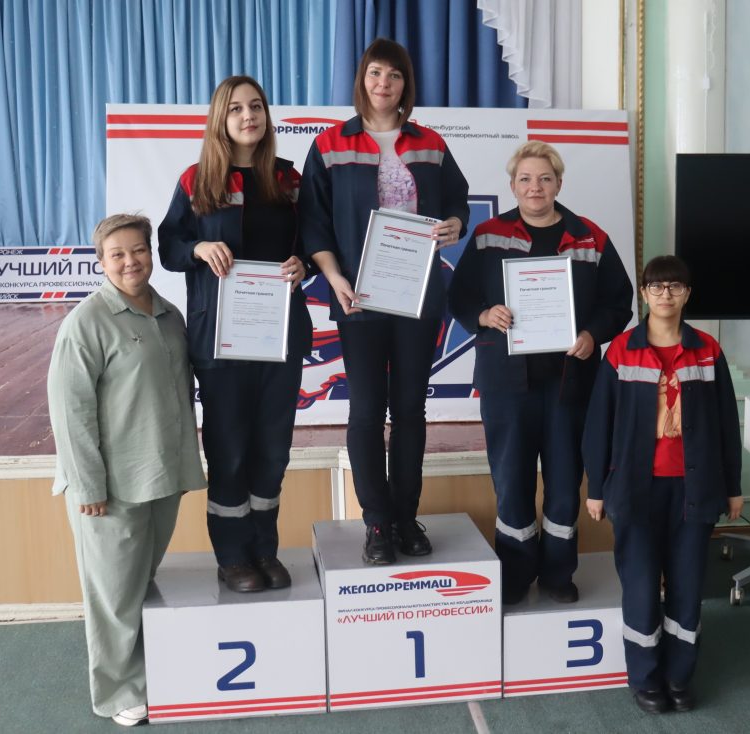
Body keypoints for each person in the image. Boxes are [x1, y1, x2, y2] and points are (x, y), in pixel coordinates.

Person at [298, 38, 469, 564]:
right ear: (362, 80)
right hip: (359, 298)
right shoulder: (330, 144)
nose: (384, 83)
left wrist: (455, 224)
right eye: (375, 73)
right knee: (368, 410)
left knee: (411, 409)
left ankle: (405, 517)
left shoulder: (431, 143)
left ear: (405, 84)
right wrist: (334, 278)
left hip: (418, 297)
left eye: (394, 75)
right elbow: (314, 222)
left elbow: (457, 201)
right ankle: (376, 521)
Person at [448, 140, 633, 604]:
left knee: (565, 483)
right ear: (513, 185)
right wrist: (484, 314)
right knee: (511, 482)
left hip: (570, 384)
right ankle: (514, 573)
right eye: (526, 179)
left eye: (545, 179)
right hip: (506, 385)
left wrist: (593, 333)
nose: (535, 187)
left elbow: (619, 302)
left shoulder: (590, 237)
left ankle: (557, 574)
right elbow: (459, 295)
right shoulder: (488, 235)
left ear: (559, 184)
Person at [48, 214, 206, 727]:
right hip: (110, 488)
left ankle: (144, 674)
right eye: (117, 254)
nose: (130, 261)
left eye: (138, 250)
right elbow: (70, 412)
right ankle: (118, 694)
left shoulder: (169, 314)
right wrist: (88, 485)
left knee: (139, 585)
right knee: (113, 597)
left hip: (160, 475)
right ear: (101, 262)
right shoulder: (86, 323)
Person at [158, 75, 312, 592]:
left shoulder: (288, 180)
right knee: (230, 448)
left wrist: (304, 264)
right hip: (219, 341)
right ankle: (232, 557)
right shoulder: (197, 180)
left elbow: (315, 242)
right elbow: (169, 247)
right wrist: (199, 249)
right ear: (220, 119)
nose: (249, 116)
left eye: (257, 106)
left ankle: (265, 549)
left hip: (278, 337)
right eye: (237, 109)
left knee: (273, 448)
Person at [583, 255, 743, 714]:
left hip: (695, 490)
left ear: (687, 294)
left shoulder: (708, 350)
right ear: (644, 294)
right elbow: (598, 424)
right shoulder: (621, 351)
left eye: (675, 286)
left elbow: (726, 424)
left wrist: (732, 486)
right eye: (656, 286)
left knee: (687, 587)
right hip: (634, 491)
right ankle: (645, 678)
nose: (665, 294)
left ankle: (678, 675)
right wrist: (596, 488)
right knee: (639, 585)